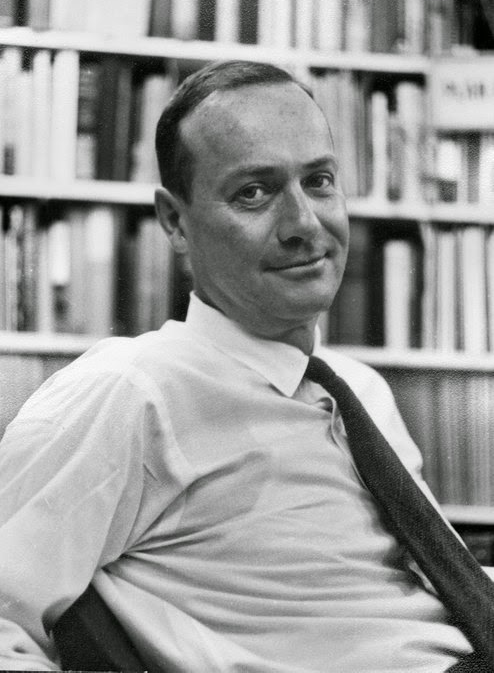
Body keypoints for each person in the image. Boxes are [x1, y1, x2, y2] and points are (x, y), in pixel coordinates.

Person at [0, 60, 488, 672]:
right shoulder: (128, 392)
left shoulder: (361, 390)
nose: (304, 223)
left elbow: (421, 595)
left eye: (319, 181)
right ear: (175, 222)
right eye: (253, 192)